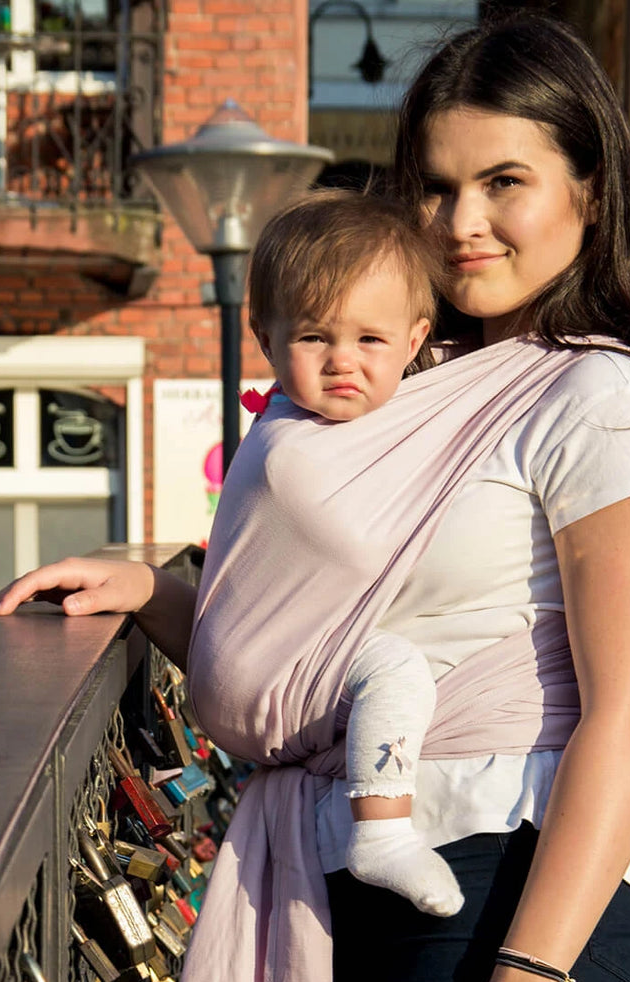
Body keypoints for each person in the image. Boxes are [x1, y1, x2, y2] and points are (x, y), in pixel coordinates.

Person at [0, 14, 630, 982]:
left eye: (502, 181)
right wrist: (151, 591)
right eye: (432, 186)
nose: (461, 221)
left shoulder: (604, 403)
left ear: (591, 190)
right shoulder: (394, 380)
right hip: (347, 885)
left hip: (508, 898)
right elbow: (316, 659)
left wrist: (524, 979)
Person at [241, 187, 464, 917]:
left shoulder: (323, 418)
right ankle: (384, 833)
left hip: (269, 659)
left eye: (370, 341)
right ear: (266, 339)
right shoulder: (296, 446)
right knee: (398, 664)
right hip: (274, 661)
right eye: (313, 338)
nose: (342, 363)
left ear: (413, 341)